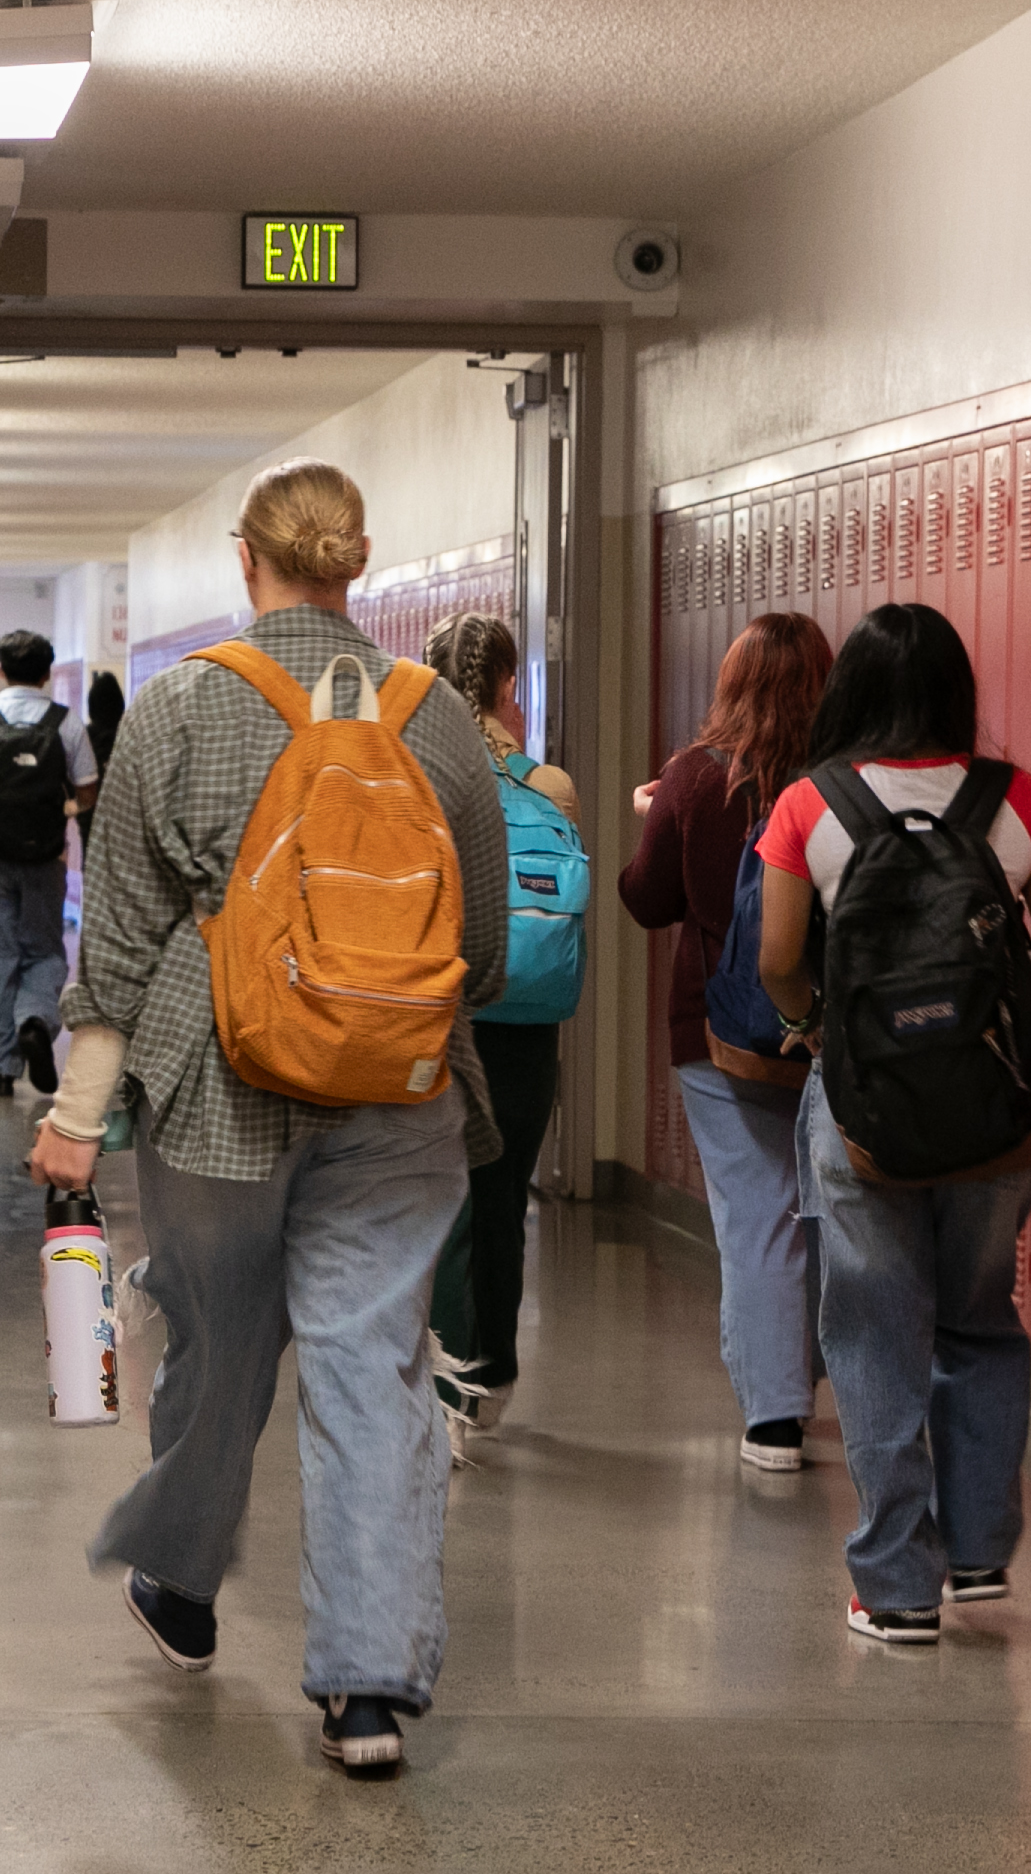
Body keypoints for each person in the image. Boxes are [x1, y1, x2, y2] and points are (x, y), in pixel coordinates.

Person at [28, 459, 509, 1776]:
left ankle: (181, 1578)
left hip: (219, 1093)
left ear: (247, 561)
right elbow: (482, 942)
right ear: (355, 564)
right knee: (371, 1367)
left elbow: (118, 944)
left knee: (218, 1346)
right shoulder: (438, 717)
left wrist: (78, 1112)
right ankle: (365, 1692)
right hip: (398, 1095)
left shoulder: (181, 706)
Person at [753, 602, 1031, 1644]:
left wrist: (816, 1027)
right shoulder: (1017, 797)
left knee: (874, 1333)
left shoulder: (810, 805)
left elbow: (774, 957)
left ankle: (896, 1586)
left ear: (851, 689)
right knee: (979, 1316)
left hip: (860, 1112)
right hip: (992, 1110)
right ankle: (977, 1550)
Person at [618, 612, 836, 1474]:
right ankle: (817, 1375)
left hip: (717, 1031)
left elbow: (646, 898)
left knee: (755, 1215)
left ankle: (775, 1418)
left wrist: (652, 815)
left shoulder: (694, 776)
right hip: (825, 1032)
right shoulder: (840, 785)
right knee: (821, 1213)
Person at [418, 612, 580, 1453]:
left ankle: (445, 1367)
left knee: (441, 1189)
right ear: (509, 687)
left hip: (440, 1012)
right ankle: (493, 1366)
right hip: (526, 1021)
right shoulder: (546, 785)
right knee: (503, 1191)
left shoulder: (414, 770)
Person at [0, 631, 97, 1097]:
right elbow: (88, 790)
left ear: (0, 671)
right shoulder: (66, 722)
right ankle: (35, 1020)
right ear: (47, 673)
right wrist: (62, 814)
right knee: (44, 950)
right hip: (45, 857)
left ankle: (0, 1066)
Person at [78, 669, 125, 859]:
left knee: (91, 865)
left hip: (90, 815)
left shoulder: (84, 736)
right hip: (123, 816)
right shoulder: (128, 734)